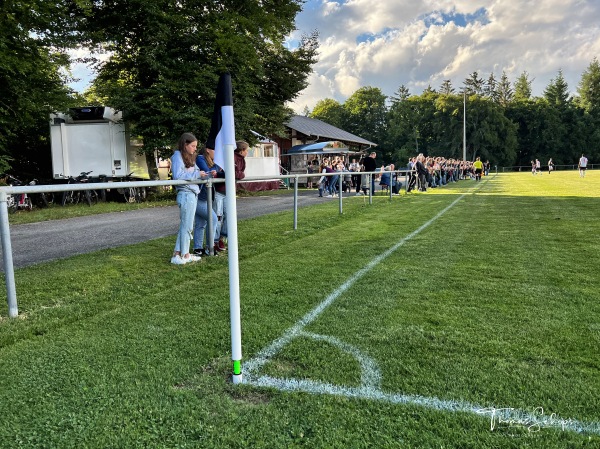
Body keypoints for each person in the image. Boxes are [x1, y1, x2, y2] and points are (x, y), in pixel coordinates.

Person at [171, 133, 204, 265]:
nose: (195, 149)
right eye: (193, 146)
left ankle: (178, 254)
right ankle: (185, 255)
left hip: (191, 193)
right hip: (185, 193)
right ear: (185, 144)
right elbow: (178, 175)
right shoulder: (177, 156)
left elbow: (195, 173)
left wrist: (204, 174)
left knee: (186, 225)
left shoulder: (190, 157)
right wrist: (197, 174)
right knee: (187, 226)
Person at [193, 142, 221, 256]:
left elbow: (216, 172)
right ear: (208, 150)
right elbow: (208, 173)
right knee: (213, 219)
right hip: (199, 196)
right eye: (215, 151)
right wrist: (217, 166)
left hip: (205, 196)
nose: (217, 154)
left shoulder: (210, 161)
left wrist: (216, 169)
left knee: (201, 223)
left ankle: (198, 249)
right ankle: (210, 247)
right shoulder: (200, 158)